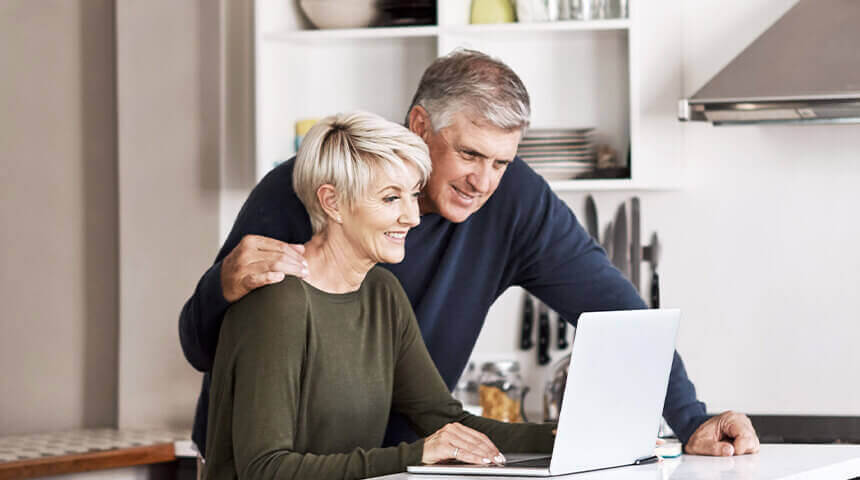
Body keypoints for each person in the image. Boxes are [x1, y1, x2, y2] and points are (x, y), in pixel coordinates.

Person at [180, 49, 760, 460]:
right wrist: (220, 286)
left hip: (407, 461)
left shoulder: (513, 204)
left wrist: (690, 421)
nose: (484, 181)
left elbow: (620, 314)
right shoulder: (307, 191)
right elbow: (203, 349)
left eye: (501, 162)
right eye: (469, 154)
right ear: (419, 126)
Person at [202, 111, 556, 480]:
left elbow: (445, 420)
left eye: (413, 195)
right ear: (332, 202)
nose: (412, 217)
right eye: (390, 198)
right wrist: (417, 456)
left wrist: (559, 437)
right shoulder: (278, 300)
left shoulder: (381, 293)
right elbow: (265, 469)